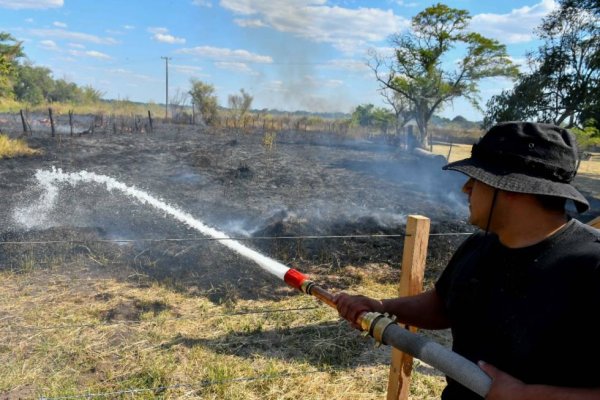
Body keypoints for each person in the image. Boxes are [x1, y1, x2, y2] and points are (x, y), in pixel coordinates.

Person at [334, 121, 600, 400]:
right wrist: (382, 307)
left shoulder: (591, 266)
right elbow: (443, 304)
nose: (466, 188)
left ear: (511, 186)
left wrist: (528, 395)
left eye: (477, 178)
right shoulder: (481, 245)